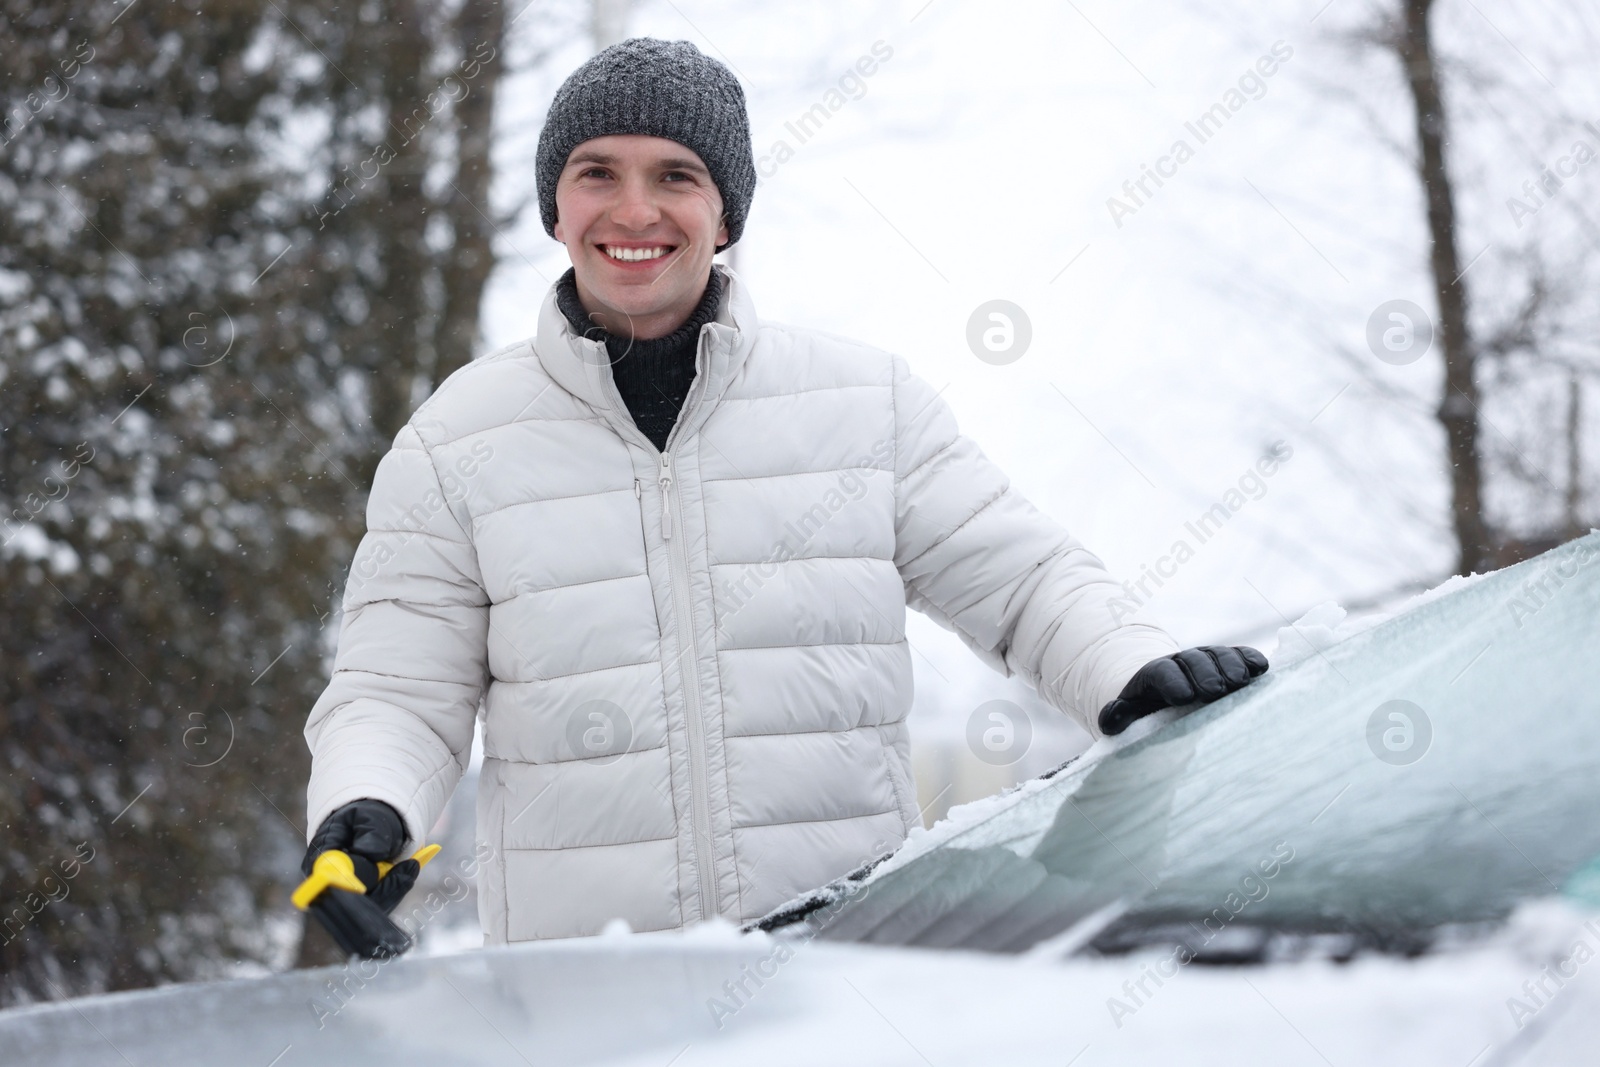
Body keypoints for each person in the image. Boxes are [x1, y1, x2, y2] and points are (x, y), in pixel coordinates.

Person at [301, 37, 1267, 946]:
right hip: (585, 996)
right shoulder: (456, 439)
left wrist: (1129, 673)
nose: (634, 211)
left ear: (727, 215)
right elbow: (397, 689)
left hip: (844, 976)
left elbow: (1025, 586)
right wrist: (363, 808)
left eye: (676, 175)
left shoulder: (862, 407)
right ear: (555, 208)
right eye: (597, 172)